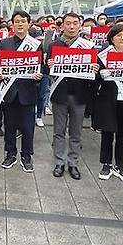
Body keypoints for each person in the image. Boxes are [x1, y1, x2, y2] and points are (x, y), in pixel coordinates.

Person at [46, 12, 97, 180]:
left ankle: (73, 163)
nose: (72, 26)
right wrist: (49, 65)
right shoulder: (54, 45)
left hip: (79, 95)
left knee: (76, 132)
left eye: (75, 23)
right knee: (58, 131)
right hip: (59, 94)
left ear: (80, 25)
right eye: (68, 23)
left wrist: (94, 70)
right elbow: (47, 70)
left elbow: (92, 75)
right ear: (63, 25)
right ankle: (59, 161)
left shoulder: (88, 46)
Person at [0, 11, 42, 171]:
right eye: (16, 21)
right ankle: (10, 154)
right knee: (9, 125)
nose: (20, 24)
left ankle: (26, 155)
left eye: (23, 21)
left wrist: (38, 75)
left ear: (29, 23)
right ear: (12, 25)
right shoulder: (4, 43)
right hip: (9, 91)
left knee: (28, 127)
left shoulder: (36, 44)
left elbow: (41, 66)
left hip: (27, 91)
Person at [93, 25, 123, 183]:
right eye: (118, 35)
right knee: (107, 132)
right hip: (108, 99)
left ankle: (121, 165)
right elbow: (94, 80)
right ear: (112, 38)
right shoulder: (103, 56)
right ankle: (106, 164)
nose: (122, 38)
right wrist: (98, 73)